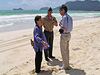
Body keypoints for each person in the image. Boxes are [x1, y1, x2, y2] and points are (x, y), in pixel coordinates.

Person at [59, 5, 73, 70]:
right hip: (69, 34)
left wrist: (60, 24)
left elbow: (64, 27)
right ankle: (67, 64)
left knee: (63, 51)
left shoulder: (64, 17)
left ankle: (65, 66)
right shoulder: (69, 17)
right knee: (67, 50)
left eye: (60, 10)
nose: (59, 12)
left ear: (63, 10)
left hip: (64, 35)